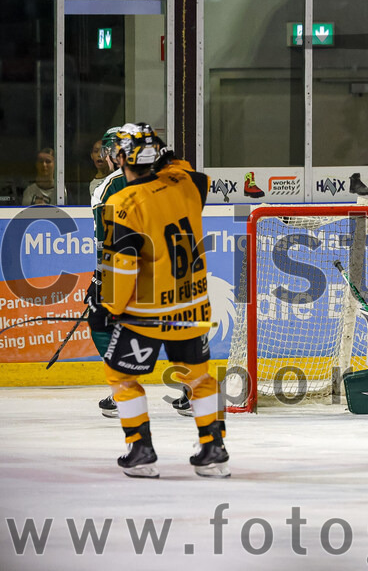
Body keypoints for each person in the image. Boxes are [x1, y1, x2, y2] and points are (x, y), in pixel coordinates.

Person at [89, 122, 227, 478]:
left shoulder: (122, 202)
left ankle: (141, 451)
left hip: (146, 313)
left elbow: (121, 266)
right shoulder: (187, 184)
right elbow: (187, 169)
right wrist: (164, 152)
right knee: (199, 378)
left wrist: (106, 306)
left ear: (121, 159)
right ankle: (214, 449)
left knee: (120, 377)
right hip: (191, 306)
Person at [90, 127, 192, 419]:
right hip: (173, 267)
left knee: (101, 320)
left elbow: (107, 240)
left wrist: (100, 277)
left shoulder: (109, 186)